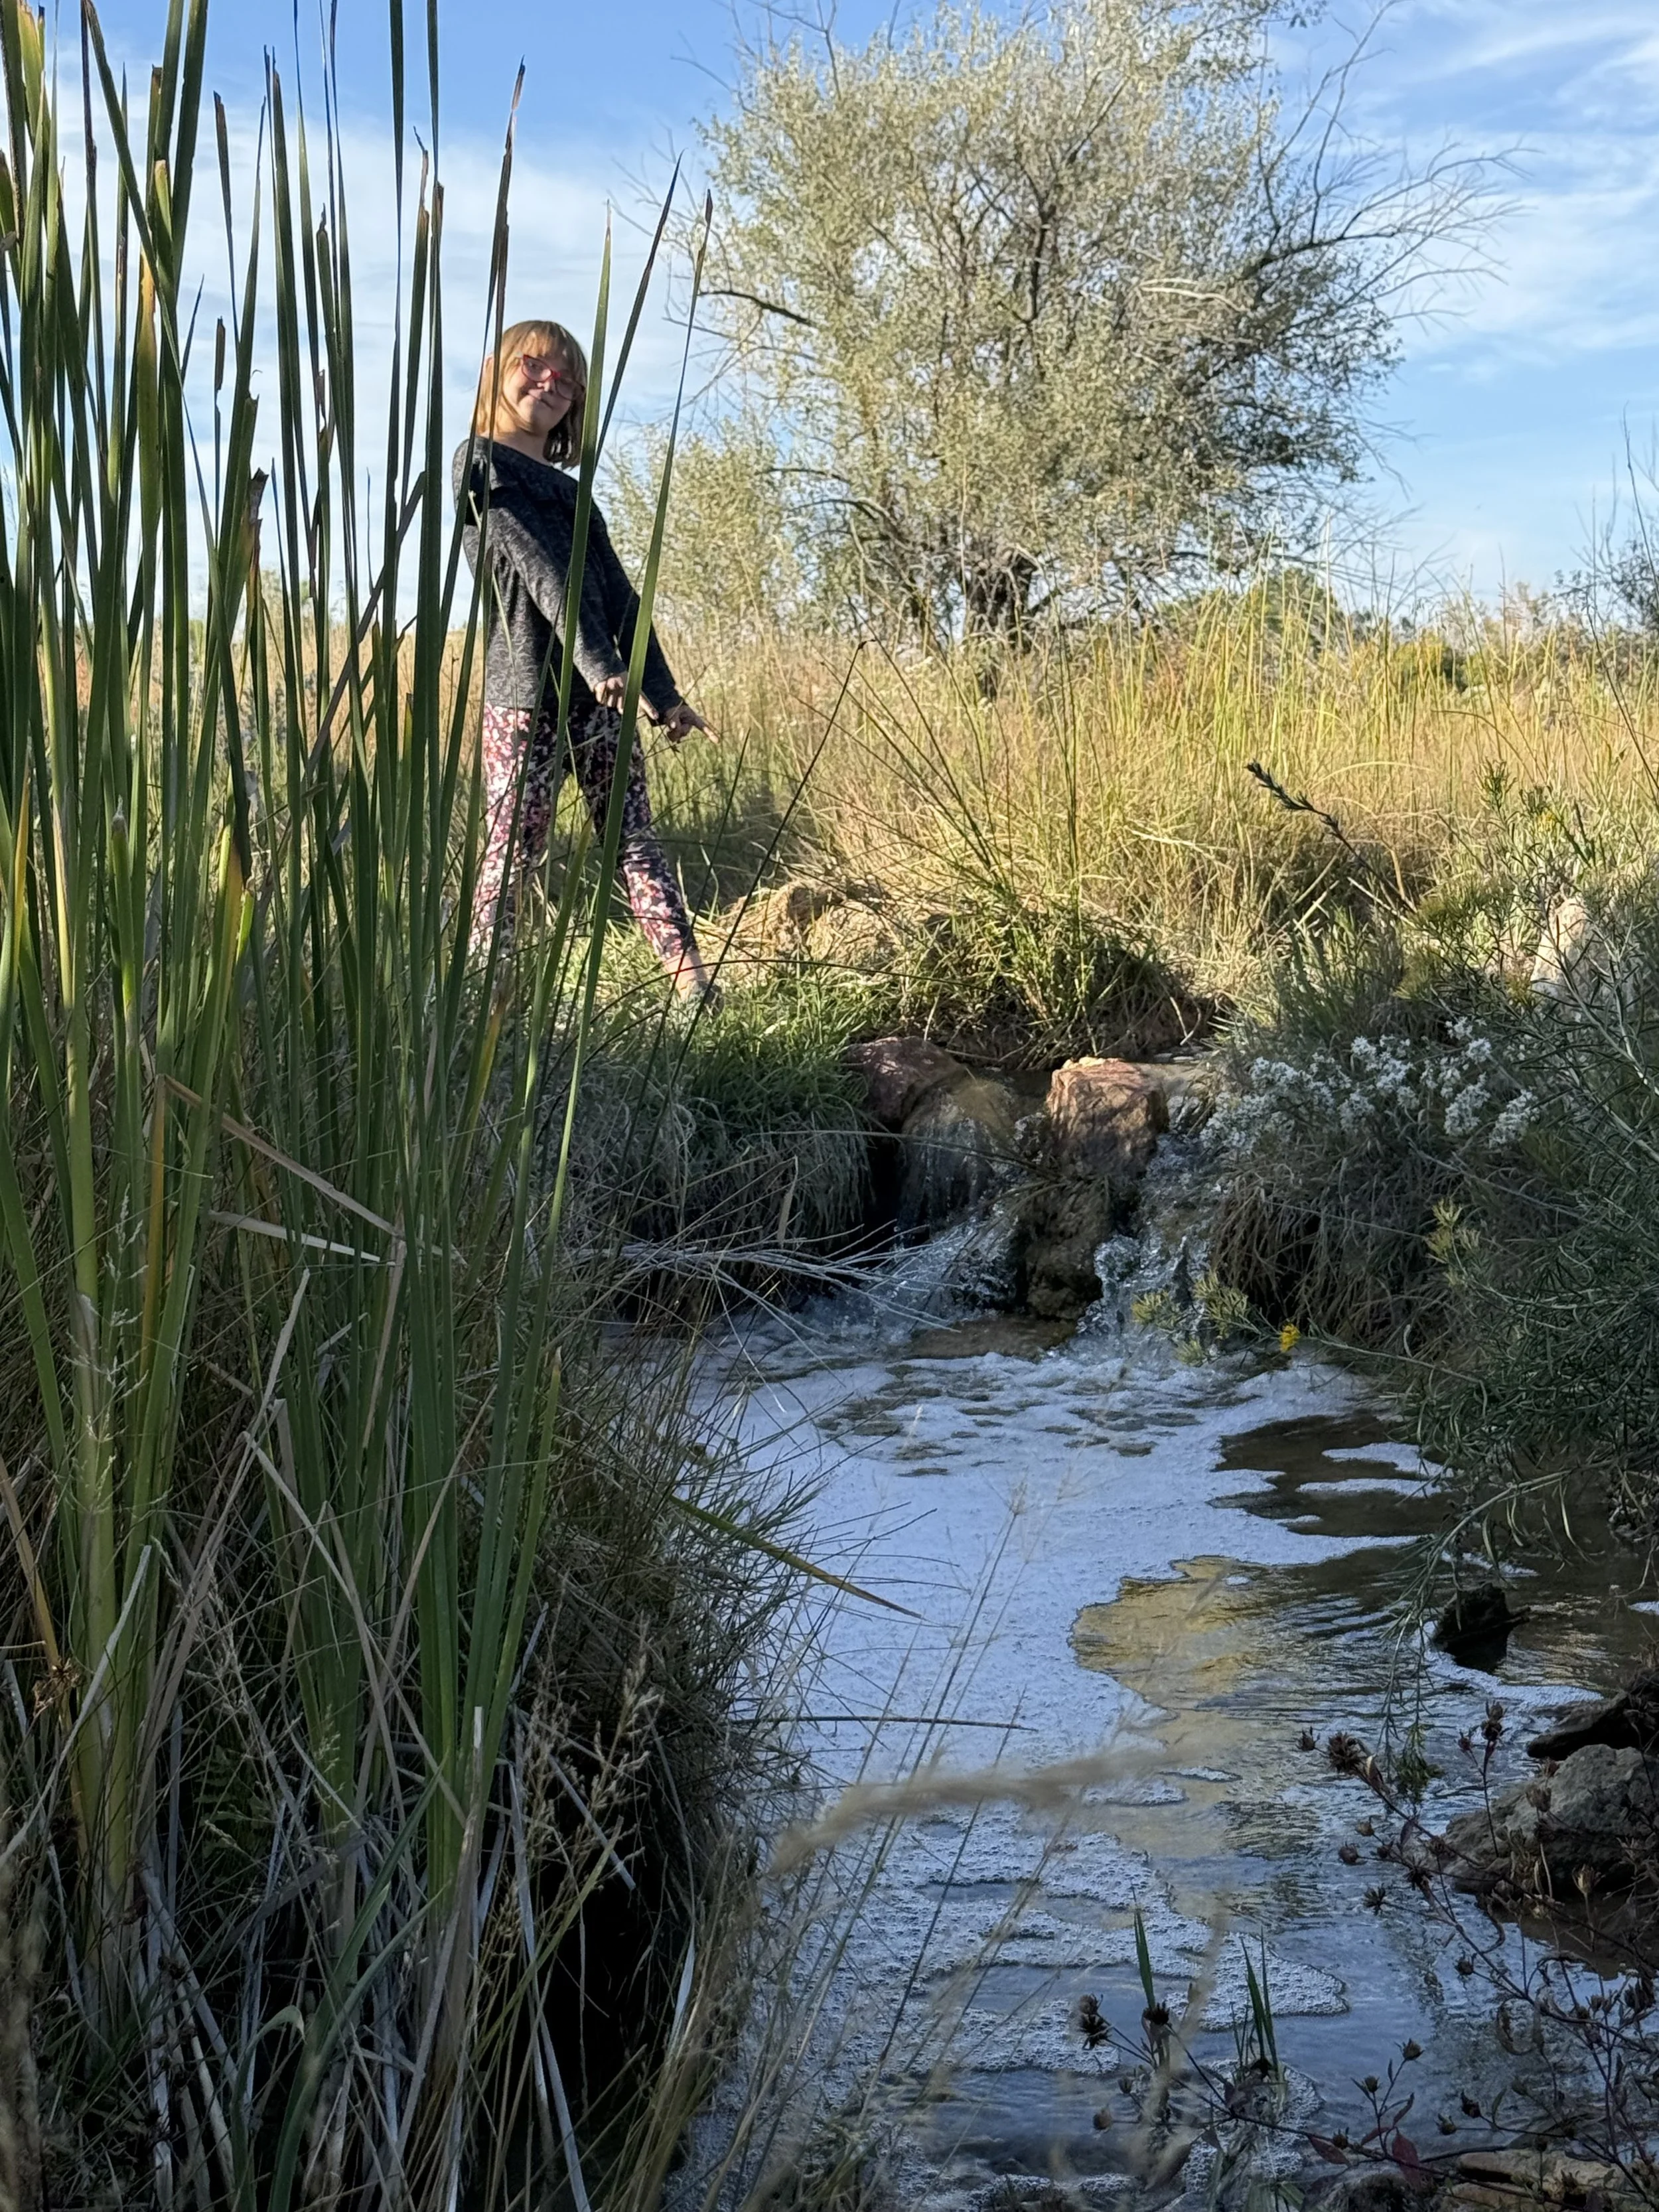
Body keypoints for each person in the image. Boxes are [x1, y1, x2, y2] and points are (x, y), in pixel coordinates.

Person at [455, 317, 717, 998]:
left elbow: (619, 596)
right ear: (497, 369)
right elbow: (541, 572)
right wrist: (601, 664)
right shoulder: (478, 464)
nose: (550, 383)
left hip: (601, 700)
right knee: (513, 857)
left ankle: (694, 988)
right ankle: (487, 999)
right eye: (535, 365)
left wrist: (662, 693)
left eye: (566, 381)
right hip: (525, 701)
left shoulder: (575, 497)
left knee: (634, 841)